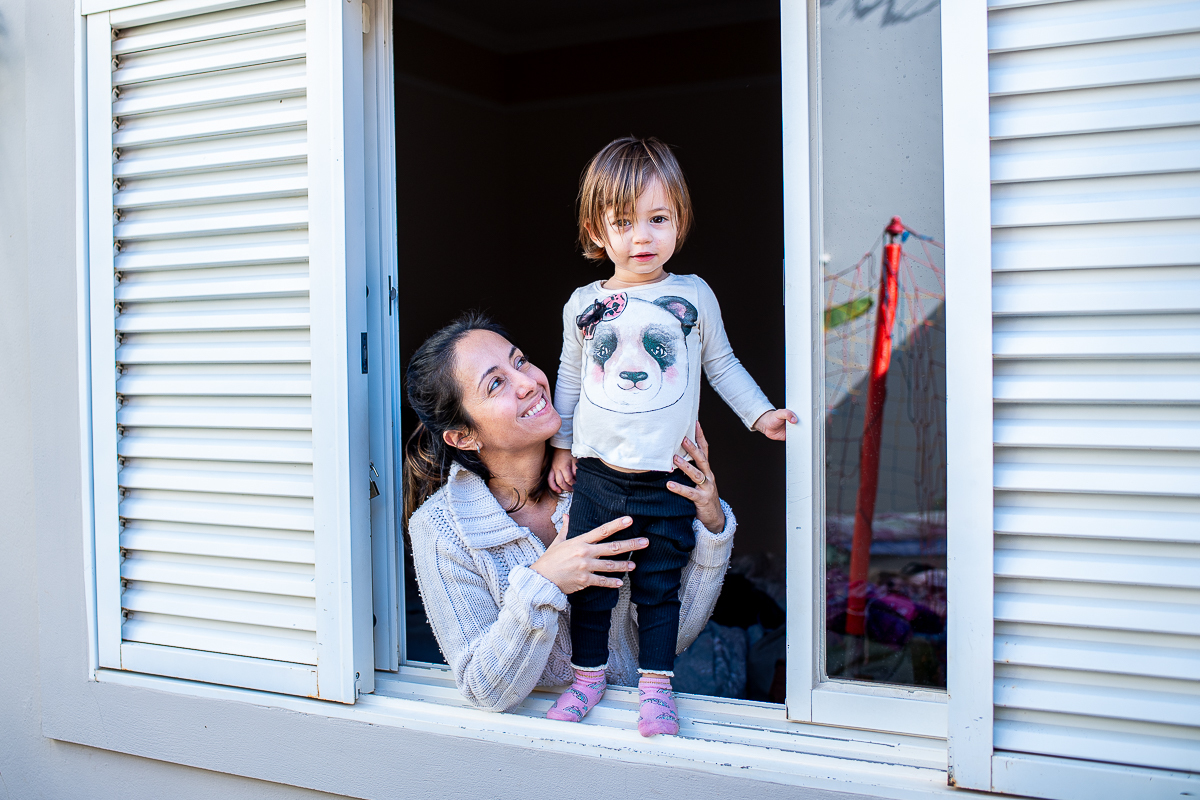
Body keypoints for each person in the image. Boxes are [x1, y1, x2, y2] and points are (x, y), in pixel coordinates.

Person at [548, 136, 797, 735]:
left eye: (658, 219)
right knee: (593, 585)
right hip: (599, 477)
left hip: (669, 478)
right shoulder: (585, 304)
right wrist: (560, 445)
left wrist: (760, 415)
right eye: (624, 222)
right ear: (596, 230)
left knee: (660, 588)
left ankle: (657, 689)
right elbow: (571, 374)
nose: (643, 237)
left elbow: (723, 364)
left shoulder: (693, 296)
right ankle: (587, 678)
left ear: (679, 221)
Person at [403, 312, 737, 723]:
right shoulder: (440, 530)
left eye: (520, 361)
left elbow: (672, 633)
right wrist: (545, 581)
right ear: (463, 436)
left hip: (629, 723)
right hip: (533, 747)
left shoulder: (609, 476)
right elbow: (485, 690)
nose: (529, 382)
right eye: (496, 383)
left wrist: (711, 525)